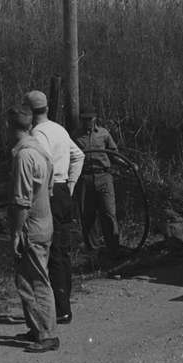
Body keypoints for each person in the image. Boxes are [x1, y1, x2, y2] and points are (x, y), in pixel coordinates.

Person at [22, 90, 85, 325]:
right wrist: (69, 185)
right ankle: (63, 305)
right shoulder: (59, 129)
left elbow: (43, 163)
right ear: (47, 108)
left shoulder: (37, 133)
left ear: (28, 111)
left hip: (48, 193)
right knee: (62, 251)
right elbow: (78, 156)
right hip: (61, 192)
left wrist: (46, 191)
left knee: (49, 253)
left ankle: (59, 309)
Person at [5, 106, 58, 353]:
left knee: (35, 281)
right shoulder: (39, 149)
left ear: (10, 126)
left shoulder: (24, 155)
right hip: (44, 222)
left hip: (31, 227)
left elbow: (22, 201)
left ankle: (47, 335)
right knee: (27, 278)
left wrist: (16, 232)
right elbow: (48, 187)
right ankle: (36, 328)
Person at [73, 107, 120, 255]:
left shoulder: (104, 134)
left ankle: (113, 249)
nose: (87, 122)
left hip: (104, 177)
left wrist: (128, 164)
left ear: (95, 119)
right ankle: (93, 251)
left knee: (108, 213)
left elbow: (114, 153)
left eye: (90, 119)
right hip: (85, 178)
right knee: (88, 215)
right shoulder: (75, 136)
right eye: (84, 119)